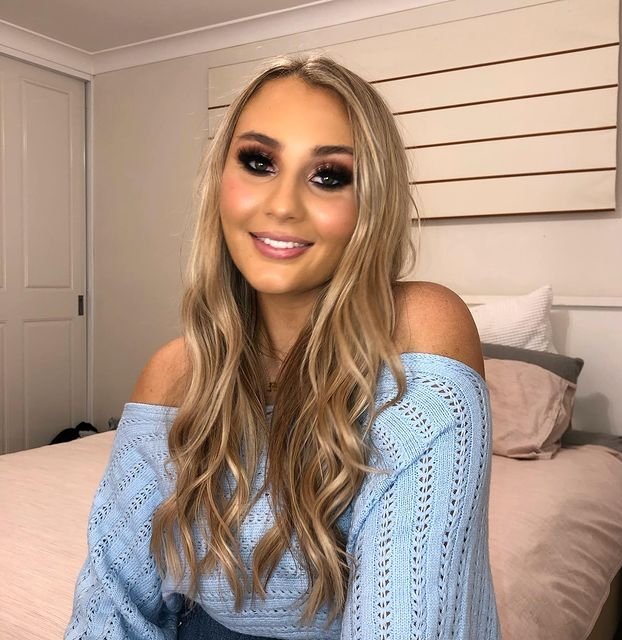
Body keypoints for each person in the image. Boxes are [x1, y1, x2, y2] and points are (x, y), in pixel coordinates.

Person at [65, 54, 501, 639]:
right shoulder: (175, 371)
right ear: (220, 181)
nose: (282, 204)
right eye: (258, 162)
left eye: (329, 176)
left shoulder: (420, 327)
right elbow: (113, 600)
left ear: (370, 203)